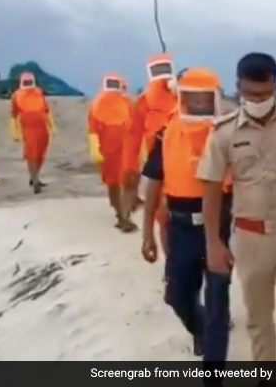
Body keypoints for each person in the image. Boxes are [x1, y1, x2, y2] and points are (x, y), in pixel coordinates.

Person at [196, 52, 276, 363]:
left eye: (265, 94)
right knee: (258, 320)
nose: (257, 100)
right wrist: (213, 243)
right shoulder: (223, 131)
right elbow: (211, 188)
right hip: (250, 238)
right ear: (238, 87)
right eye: (250, 94)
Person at [140, 68, 232, 383]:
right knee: (177, 297)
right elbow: (154, 184)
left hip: (220, 227)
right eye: (193, 97)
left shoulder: (228, 134)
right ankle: (200, 329)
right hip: (180, 228)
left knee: (218, 302)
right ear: (181, 97)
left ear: (216, 97)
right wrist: (148, 233)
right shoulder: (166, 134)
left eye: (205, 97)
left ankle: (213, 375)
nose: (199, 104)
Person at [126, 53, 180, 258]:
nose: (162, 76)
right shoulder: (144, 102)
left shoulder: (181, 95)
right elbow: (133, 138)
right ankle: (171, 262)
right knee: (163, 216)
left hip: (183, 164)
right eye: (158, 70)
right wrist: (130, 170)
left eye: (166, 69)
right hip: (156, 167)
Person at [87, 73, 137, 232]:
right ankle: (122, 216)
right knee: (115, 182)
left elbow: (135, 126)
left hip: (125, 149)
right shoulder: (98, 104)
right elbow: (93, 129)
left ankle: (124, 214)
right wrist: (95, 148)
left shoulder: (126, 103)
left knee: (125, 181)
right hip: (109, 151)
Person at [9, 72, 56, 194]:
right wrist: (14, 131)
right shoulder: (16, 95)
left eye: (30, 81)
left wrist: (52, 126)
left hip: (42, 128)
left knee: (41, 155)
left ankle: (35, 177)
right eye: (26, 82)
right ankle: (35, 182)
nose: (28, 84)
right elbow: (13, 115)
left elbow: (46, 111)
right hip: (28, 129)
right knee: (31, 155)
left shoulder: (38, 92)